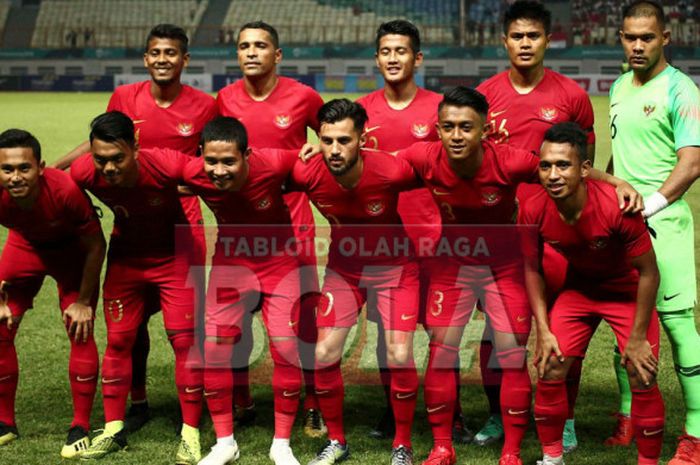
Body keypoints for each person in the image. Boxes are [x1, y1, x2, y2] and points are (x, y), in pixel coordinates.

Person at [55, 23, 217, 433]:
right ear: (146, 59)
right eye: (155, 53)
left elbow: (213, 160)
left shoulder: (205, 106)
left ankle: (196, 406)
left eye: (171, 53)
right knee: (133, 323)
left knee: (186, 328)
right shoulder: (125, 97)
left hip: (183, 223)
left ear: (185, 60)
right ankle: (139, 400)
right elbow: (102, 144)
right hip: (132, 222)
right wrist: (53, 169)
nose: (163, 60)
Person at [475, 0, 595, 450]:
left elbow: (586, 166)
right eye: (517, 36)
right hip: (501, 234)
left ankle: (562, 417)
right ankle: (494, 414)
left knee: (564, 333)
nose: (525, 44)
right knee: (496, 334)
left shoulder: (572, 97)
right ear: (504, 40)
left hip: (559, 237)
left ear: (548, 39)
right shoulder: (485, 96)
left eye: (533, 36)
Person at [522, 122, 665, 465]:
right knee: (550, 365)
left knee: (641, 371)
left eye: (563, 165)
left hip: (628, 293)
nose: (553, 175)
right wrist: (542, 329)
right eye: (545, 166)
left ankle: (648, 462)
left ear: (585, 169)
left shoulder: (618, 208)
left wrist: (635, 339)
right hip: (580, 290)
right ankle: (552, 458)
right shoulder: (533, 209)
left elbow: (649, 273)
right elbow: (531, 269)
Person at [291, 99, 420, 465]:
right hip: (344, 271)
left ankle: (402, 445)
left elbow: (441, 169)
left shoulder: (391, 171)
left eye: (344, 140)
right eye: (327, 140)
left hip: (396, 269)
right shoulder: (307, 173)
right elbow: (257, 169)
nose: (334, 149)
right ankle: (337, 441)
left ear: (363, 138)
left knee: (398, 355)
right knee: (324, 353)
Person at [71, 112, 204, 464]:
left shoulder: (165, 163)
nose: (109, 168)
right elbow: (62, 188)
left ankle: (191, 432)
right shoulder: (85, 172)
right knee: (118, 339)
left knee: (183, 340)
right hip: (126, 259)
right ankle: (113, 428)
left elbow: (218, 175)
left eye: (118, 158)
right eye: (101, 160)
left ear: (136, 148)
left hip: (175, 256)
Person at [354, 19, 461, 442]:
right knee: (388, 333)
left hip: (438, 240)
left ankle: (448, 412)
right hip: (384, 245)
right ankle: (390, 408)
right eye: (386, 51)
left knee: (444, 331)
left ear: (417, 58)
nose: (393, 58)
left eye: (401, 51)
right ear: (377, 57)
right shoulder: (361, 112)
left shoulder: (442, 108)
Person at [216, 21, 325, 435]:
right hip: (242, 229)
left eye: (260, 45)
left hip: (294, 225)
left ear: (277, 55)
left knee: (305, 317)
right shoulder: (224, 100)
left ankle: (313, 400)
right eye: (244, 46)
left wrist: (317, 143)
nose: (251, 52)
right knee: (237, 317)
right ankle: (241, 399)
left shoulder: (302, 96)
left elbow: (334, 132)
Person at [182, 116, 310, 465]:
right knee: (216, 349)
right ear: (200, 156)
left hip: (280, 262)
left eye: (229, 161)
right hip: (231, 264)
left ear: (247, 156)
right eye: (211, 161)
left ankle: (281, 443)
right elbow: (147, 166)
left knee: (285, 349)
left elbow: (314, 160)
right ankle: (225, 442)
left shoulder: (275, 163)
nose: (219, 170)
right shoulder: (191, 172)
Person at [610, 1, 700, 462]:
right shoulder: (620, 86)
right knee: (626, 321)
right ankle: (628, 415)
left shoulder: (681, 90)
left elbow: (692, 162)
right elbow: (619, 161)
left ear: (666, 37)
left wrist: (653, 205)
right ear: (620, 38)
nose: (638, 45)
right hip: (623, 226)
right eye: (630, 37)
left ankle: (696, 433)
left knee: (678, 325)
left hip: (665, 224)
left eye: (647, 37)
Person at [0, 129, 105, 459]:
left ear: (41, 167)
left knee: (80, 329)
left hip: (71, 253)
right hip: (25, 246)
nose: (16, 177)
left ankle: (80, 426)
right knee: (1, 327)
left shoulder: (65, 191)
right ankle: (4, 423)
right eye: (7, 169)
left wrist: (84, 302)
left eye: (24, 168)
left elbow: (95, 246)